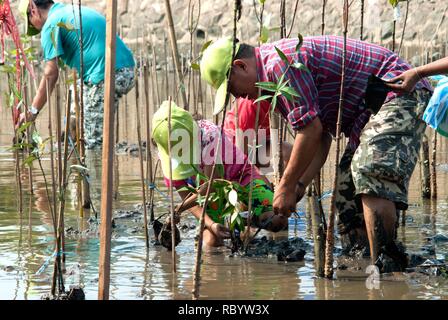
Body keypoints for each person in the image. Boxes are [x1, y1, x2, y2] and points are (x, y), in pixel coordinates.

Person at [200, 36, 433, 268]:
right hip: (369, 113)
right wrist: (300, 185)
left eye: (231, 88)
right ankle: (363, 269)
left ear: (241, 66)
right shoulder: (273, 82)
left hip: (399, 92)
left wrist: (286, 186)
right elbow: (321, 136)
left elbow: (310, 131)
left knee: (370, 172)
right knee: (346, 193)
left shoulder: (279, 65)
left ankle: (387, 272)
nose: (237, 96)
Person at [152, 100, 289, 247]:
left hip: (241, 177)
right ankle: (231, 224)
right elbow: (189, 198)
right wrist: (211, 225)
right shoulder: (167, 156)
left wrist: (178, 209)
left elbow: (213, 185)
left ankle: (242, 217)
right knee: (212, 243)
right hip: (209, 199)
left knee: (277, 220)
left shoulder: (209, 136)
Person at [17, 0, 135, 149]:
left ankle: (95, 162)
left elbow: (50, 74)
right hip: (125, 69)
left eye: (31, 24)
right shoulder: (72, 10)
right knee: (75, 107)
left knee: (93, 143)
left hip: (108, 75)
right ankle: (71, 147)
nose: (35, 28)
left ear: (33, 9)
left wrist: (32, 111)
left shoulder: (51, 24)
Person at [224, 97, 293, 169]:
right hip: (234, 151)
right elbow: (241, 155)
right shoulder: (249, 104)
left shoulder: (278, 102)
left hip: (257, 146)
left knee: (287, 152)